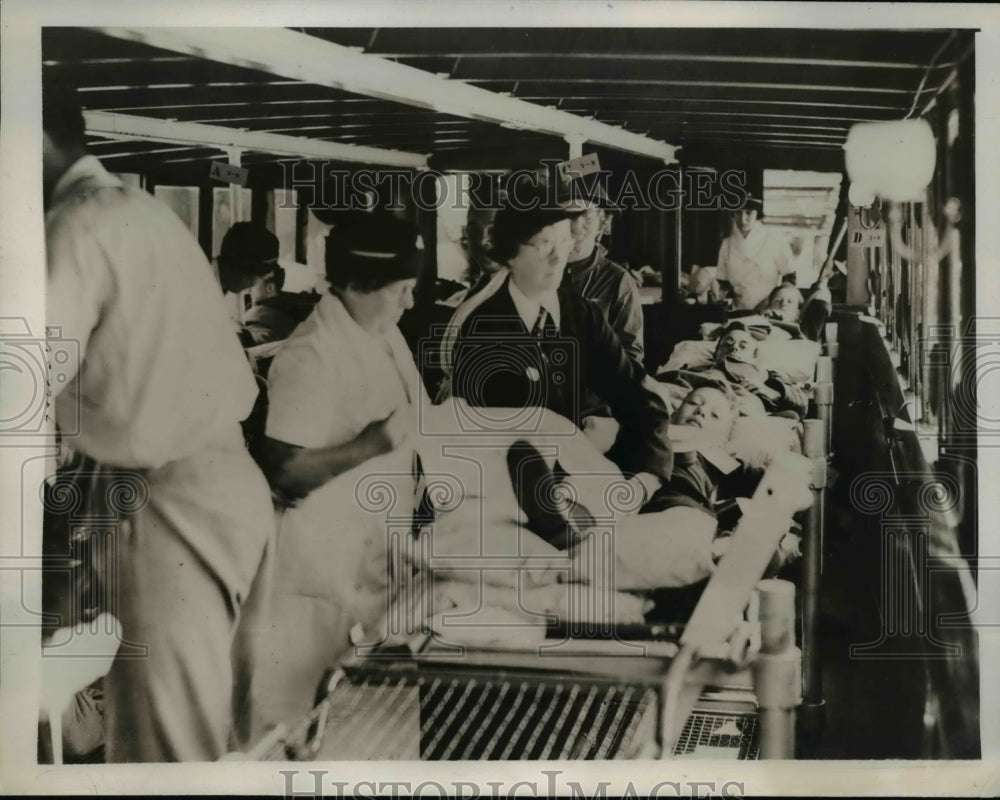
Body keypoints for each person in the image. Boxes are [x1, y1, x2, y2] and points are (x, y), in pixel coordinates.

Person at [42, 80, 274, 761]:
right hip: (224, 486)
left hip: (170, 501)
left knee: (163, 753)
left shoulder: (75, 227)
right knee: (212, 739)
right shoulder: (139, 212)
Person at [251, 211, 428, 734]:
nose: (410, 302)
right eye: (401, 290)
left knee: (362, 737)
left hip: (371, 568)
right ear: (355, 284)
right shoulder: (311, 356)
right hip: (314, 585)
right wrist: (367, 446)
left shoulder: (383, 335)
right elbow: (283, 471)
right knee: (293, 738)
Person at [449, 186, 673, 501]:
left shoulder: (580, 314)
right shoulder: (481, 326)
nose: (558, 257)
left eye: (564, 242)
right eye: (543, 245)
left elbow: (634, 393)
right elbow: (496, 440)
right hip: (504, 490)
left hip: (578, 475)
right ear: (510, 253)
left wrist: (646, 476)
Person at [698, 196, 796, 311]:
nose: (743, 219)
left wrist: (777, 301)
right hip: (738, 309)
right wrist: (716, 295)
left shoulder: (774, 239)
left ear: (757, 214)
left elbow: (789, 277)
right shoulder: (727, 244)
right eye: (738, 213)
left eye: (748, 213)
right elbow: (723, 282)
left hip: (769, 309)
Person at [216, 222, 300, 346]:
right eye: (259, 274)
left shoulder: (215, 283)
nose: (250, 287)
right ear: (242, 268)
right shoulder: (201, 289)